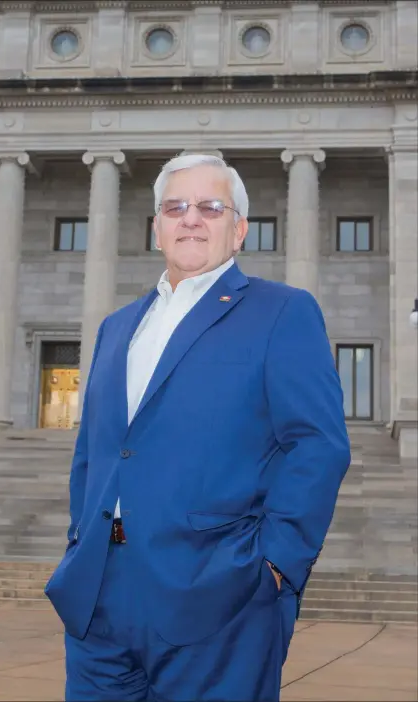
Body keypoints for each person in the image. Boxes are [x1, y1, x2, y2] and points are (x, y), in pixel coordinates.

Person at [45, 153, 351, 701]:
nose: (191, 218)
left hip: (217, 598)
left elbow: (317, 445)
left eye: (210, 207)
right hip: (98, 599)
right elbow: (94, 452)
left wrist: (275, 564)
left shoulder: (282, 311)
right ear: (157, 226)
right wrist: (78, 542)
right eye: (175, 207)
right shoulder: (117, 328)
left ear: (238, 231)